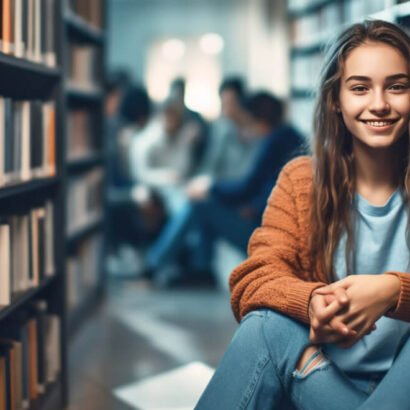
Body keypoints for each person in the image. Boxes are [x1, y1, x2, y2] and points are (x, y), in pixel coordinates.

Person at [196, 19, 410, 410]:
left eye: (397, 86)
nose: (379, 103)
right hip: (323, 386)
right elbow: (253, 277)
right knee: (265, 326)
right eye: (360, 88)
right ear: (335, 100)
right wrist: (311, 303)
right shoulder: (301, 180)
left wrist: (392, 292)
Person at [146, 91, 305, 285]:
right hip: (275, 226)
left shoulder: (273, 141)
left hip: (265, 231)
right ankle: (200, 269)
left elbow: (247, 187)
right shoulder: (290, 136)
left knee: (199, 205)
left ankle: (155, 264)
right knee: (205, 206)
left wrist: (210, 188)